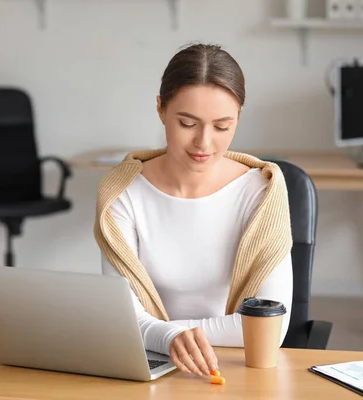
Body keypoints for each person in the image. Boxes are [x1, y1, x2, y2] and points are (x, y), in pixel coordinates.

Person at [94, 43, 293, 378]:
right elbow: (123, 314)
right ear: (160, 109)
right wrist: (166, 336)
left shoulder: (262, 193)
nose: (204, 142)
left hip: (235, 368)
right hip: (146, 368)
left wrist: (164, 332)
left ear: (238, 118)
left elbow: (270, 327)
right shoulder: (122, 195)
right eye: (187, 123)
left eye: (222, 126)